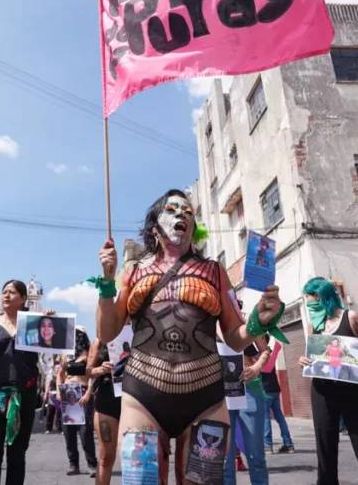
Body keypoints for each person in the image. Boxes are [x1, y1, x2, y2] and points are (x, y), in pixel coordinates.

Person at [95, 189, 282, 485]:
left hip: (205, 398)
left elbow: (234, 338)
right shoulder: (131, 271)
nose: (181, 214)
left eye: (188, 211)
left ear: (194, 227)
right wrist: (106, 283)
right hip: (142, 397)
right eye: (172, 210)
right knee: (141, 481)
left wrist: (258, 322)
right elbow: (106, 332)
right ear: (155, 226)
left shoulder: (215, 271)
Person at [298, 277, 358, 485]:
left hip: (352, 392)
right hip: (322, 391)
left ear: (321, 296)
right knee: (326, 453)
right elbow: (311, 357)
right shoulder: (314, 324)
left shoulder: (352, 317)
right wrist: (305, 361)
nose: (308, 304)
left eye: (310, 299)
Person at [0, 280, 57, 485]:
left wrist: (51, 321)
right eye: (4, 291)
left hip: (24, 396)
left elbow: (52, 347)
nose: (6, 295)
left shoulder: (33, 324)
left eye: (12, 292)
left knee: (17, 454)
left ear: (23, 299)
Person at [223, 339, 270, 485]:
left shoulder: (246, 318)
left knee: (255, 455)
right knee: (225, 460)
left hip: (248, 386)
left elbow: (265, 351)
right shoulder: (207, 320)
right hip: (220, 391)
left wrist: (257, 367)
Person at [59, 330, 97, 477]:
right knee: (69, 433)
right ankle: (73, 465)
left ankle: (92, 464)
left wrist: (88, 393)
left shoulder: (89, 354)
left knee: (85, 431)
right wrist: (59, 389)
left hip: (82, 392)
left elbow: (92, 375)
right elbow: (60, 374)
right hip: (68, 392)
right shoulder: (66, 354)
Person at [86, 338, 121, 485]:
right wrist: (100, 369)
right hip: (108, 397)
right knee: (106, 457)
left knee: (138, 458)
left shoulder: (142, 330)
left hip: (137, 397)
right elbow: (89, 371)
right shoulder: (99, 341)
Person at [260, 340, 294, 454]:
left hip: (265, 390)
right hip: (275, 388)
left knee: (265, 418)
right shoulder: (270, 353)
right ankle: (288, 443)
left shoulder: (259, 355)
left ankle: (267, 445)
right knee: (279, 417)